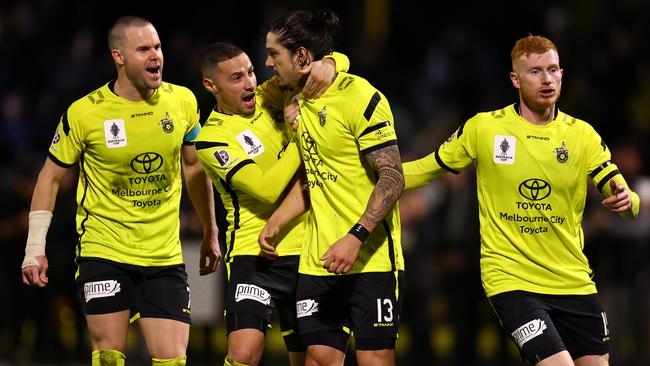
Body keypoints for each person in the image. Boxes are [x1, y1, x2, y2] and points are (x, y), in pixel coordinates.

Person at [402, 35, 640, 366]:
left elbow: (622, 193)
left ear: (562, 73)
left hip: (573, 279)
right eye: (535, 72)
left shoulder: (582, 135)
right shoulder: (484, 128)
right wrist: (371, 175)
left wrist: (627, 199)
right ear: (515, 79)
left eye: (553, 70)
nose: (547, 79)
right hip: (512, 279)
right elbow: (426, 168)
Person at [20, 16, 221, 366]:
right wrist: (34, 248)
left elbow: (193, 167)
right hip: (104, 249)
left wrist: (210, 230)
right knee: (110, 359)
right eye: (143, 49)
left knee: (173, 360)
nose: (155, 55)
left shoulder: (183, 102)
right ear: (119, 57)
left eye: (157, 47)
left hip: (163, 253)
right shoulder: (85, 113)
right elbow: (49, 178)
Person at [259, 9, 405, 366]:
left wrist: (355, 236)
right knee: (320, 360)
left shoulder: (359, 97)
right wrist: (277, 221)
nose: (266, 62)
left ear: (303, 56)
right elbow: (314, 176)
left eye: (274, 54)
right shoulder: (297, 101)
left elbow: (393, 177)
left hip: (370, 259)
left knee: (374, 361)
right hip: (317, 262)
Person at [194, 41, 348, 366]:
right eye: (236, 78)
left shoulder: (268, 95)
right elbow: (267, 187)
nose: (250, 82)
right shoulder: (211, 139)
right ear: (211, 85)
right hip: (256, 257)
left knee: (316, 359)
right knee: (244, 354)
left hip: (309, 250)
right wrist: (301, 132)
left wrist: (329, 64)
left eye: (250, 72)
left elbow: (341, 64)